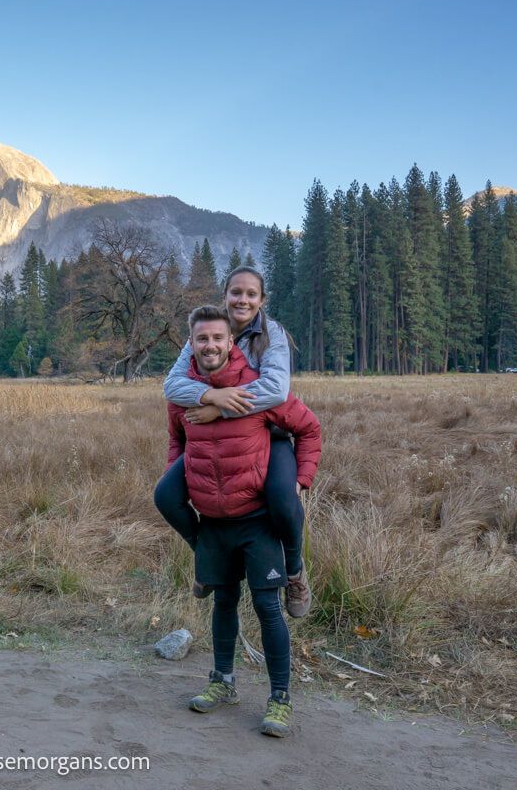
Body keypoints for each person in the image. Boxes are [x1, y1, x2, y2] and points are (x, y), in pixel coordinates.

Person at [165, 304, 322, 737]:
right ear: (190, 344)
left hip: (256, 520)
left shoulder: (258, 391)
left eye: (218, 338)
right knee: (222, 602)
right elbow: (177, 444)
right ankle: (223, 683)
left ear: (231, 341)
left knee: (268, 606)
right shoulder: (182, 394)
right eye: (202, 339)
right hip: (213, 520)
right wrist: (180, 484)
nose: (211, 345)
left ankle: (280, 700)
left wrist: (301, 480)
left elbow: (309, 427)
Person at [158, 266, 311, 617]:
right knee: (166, 495)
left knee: (282, 499)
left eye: (251, 294)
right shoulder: (210, 330)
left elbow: (276, 390)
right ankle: (208, 555)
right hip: (217, 439)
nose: (242, 299)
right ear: (225, 295)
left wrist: (221, 408)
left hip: (269, 436)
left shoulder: (271, 333)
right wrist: (211, 398)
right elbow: (172, 386)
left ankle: (294, 569)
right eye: (236, 292)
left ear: (261, 300)